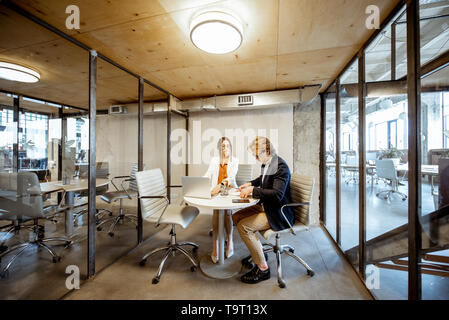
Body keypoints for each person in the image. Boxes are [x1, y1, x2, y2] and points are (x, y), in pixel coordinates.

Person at [233, 136, 293, 284]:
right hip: (267, 206)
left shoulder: (281, 167)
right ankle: (258, 251)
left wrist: (253, 190)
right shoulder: (268, 163)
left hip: (278, 212)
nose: (255, 158)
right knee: (237, 217)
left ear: (266, 151)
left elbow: (278, 195)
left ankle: (263, 269)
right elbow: (262, 179)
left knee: (244, 226)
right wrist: (250, 183)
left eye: (256, 154)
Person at [204, 137, 239, 263]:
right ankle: (216, 244)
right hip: (215, 190)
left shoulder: (235, 160)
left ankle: (229, 240)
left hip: (228, 190)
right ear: (219, 148)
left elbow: (230, 178)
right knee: (216, 212)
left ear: (231, 147)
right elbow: (207, 174)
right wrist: (201, 183)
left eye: (227, 146)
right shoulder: (214, 160)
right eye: (223, 146)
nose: (225, 148)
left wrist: (218, 188)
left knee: (227, 213)